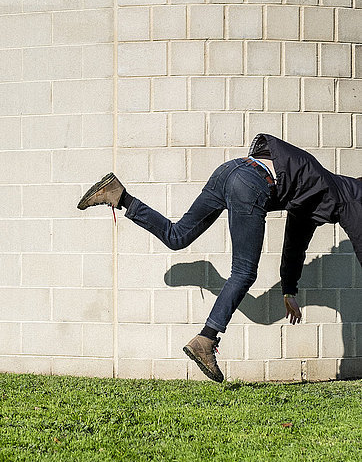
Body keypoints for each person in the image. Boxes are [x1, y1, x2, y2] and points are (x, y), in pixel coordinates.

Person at [77, 134, 362, 382]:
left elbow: (295, 244)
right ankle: (206, 339)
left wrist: (288, 289)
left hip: (230, 170)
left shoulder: (317, 189)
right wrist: (289, 286)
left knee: (177, 236)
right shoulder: (345, 198)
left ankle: (119, 195)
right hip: (252, 182)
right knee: (244, 272)